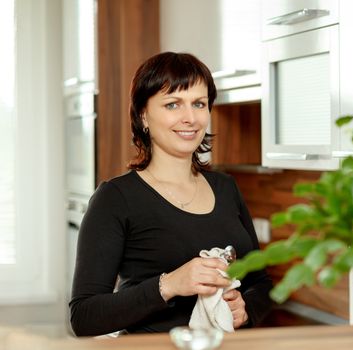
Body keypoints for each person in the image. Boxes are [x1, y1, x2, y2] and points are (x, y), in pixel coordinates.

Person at [69, 52, 273, 336]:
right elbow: (84, 316)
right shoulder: (115, 198)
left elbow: (261, 282)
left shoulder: (226, 188)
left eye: (199, 104)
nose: (190, 118)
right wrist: (170, 284)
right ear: (144, 115)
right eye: (173, 104)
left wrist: (246, 307)